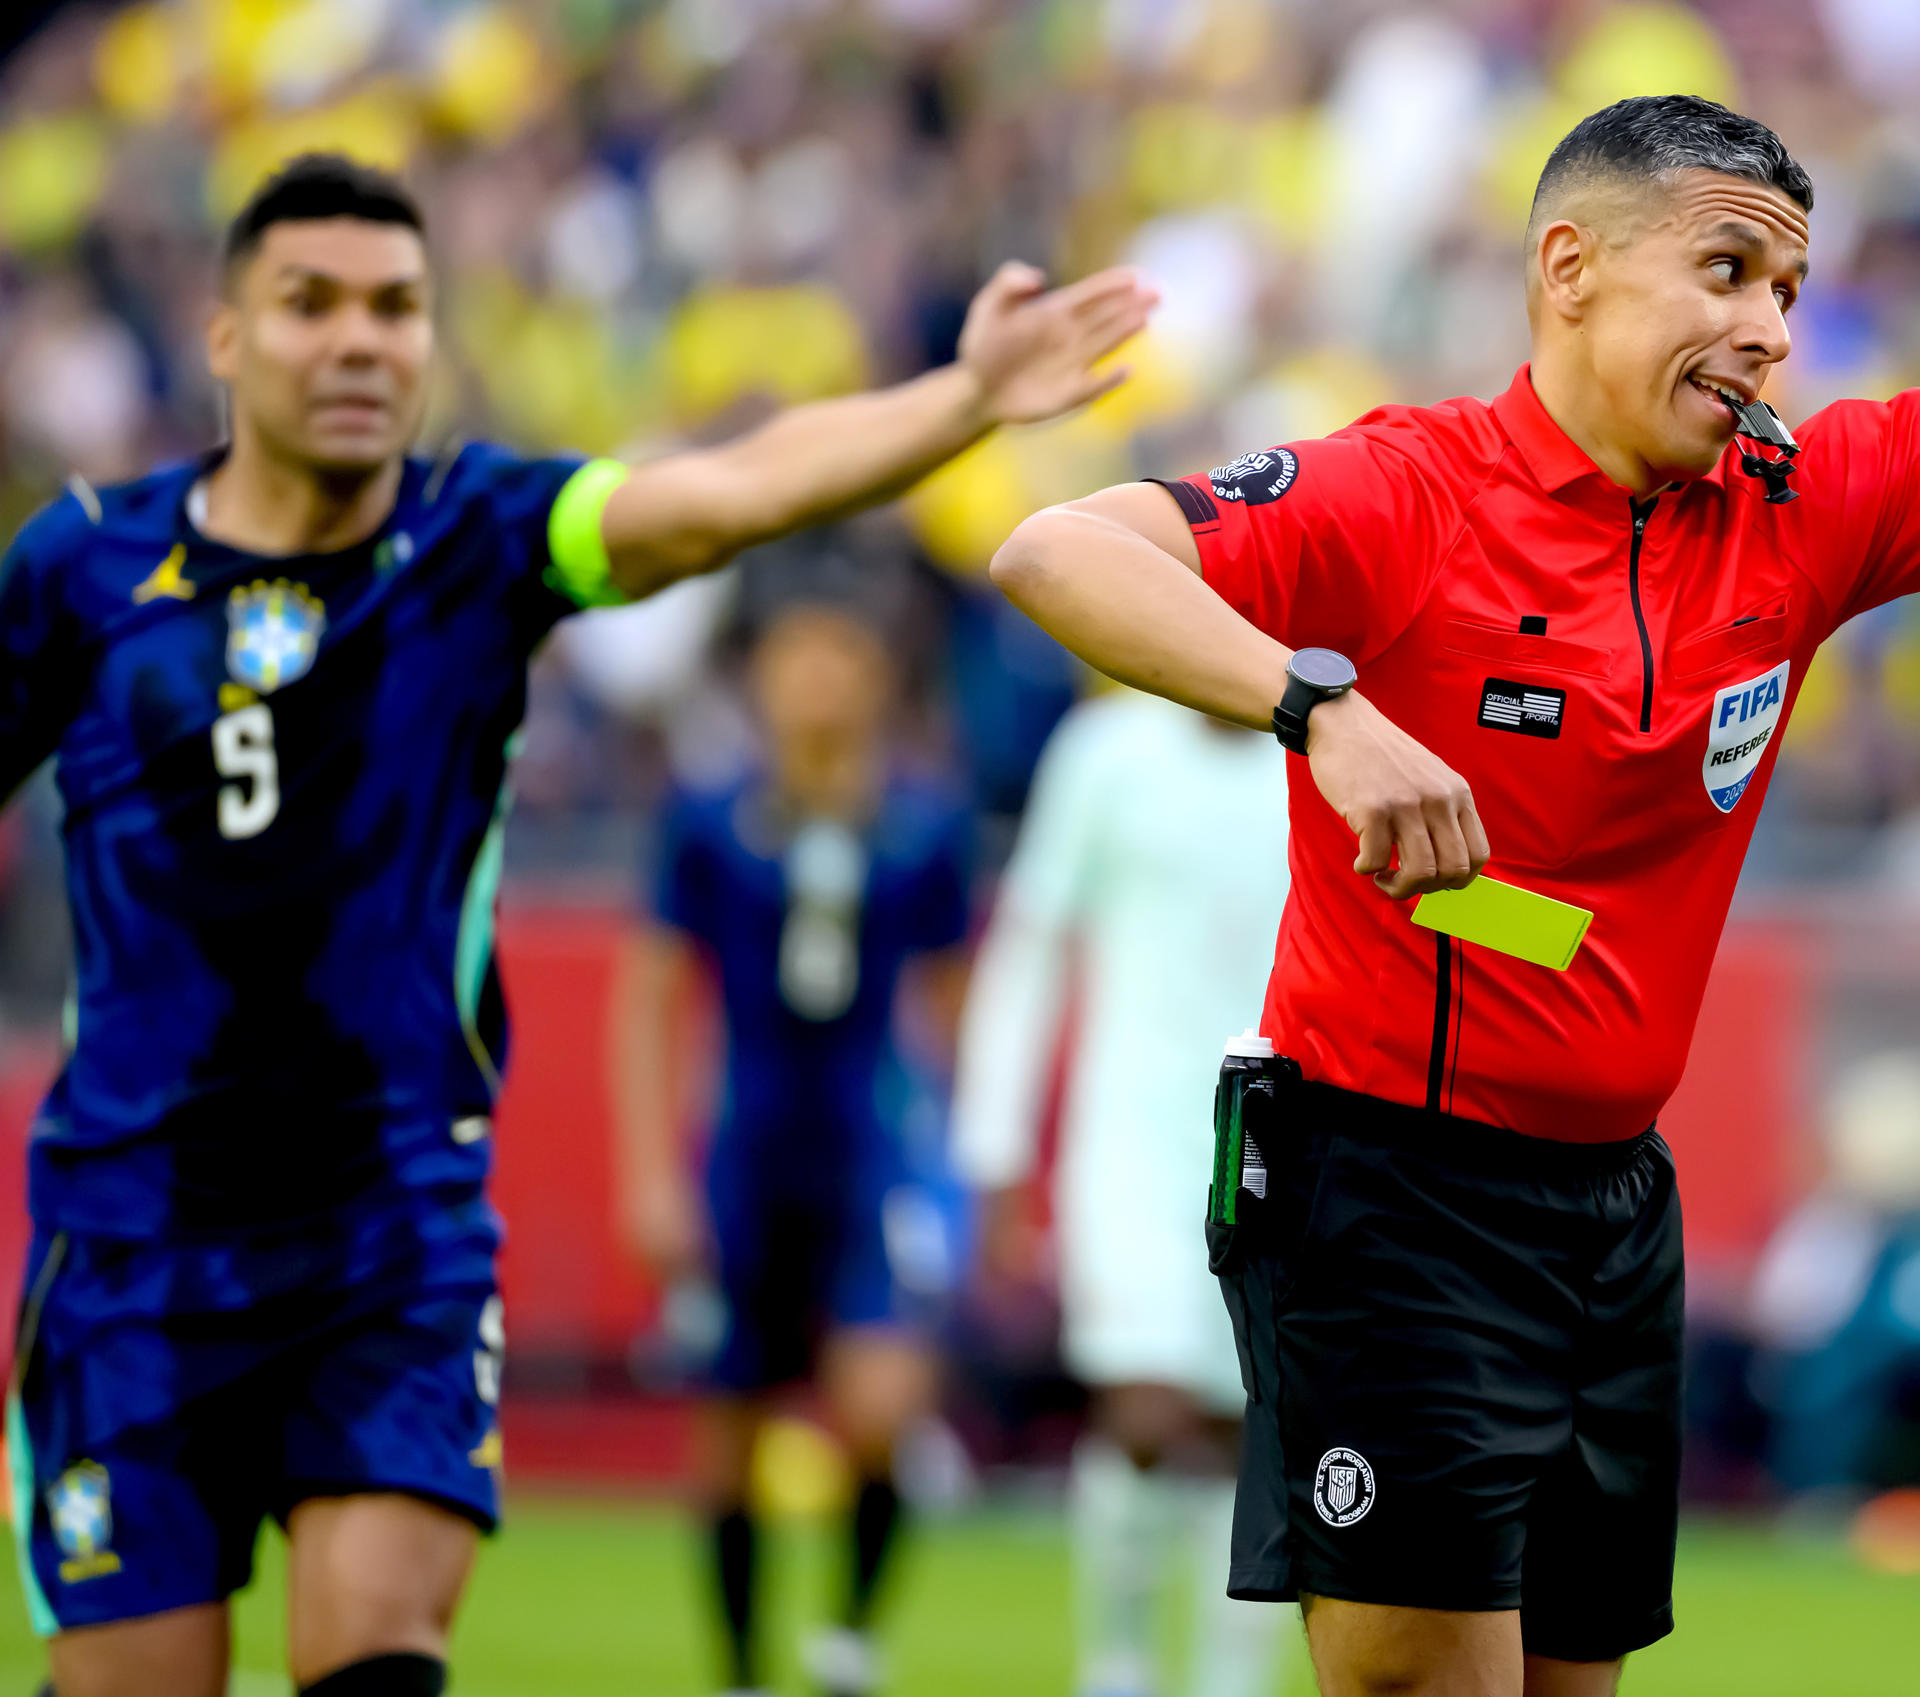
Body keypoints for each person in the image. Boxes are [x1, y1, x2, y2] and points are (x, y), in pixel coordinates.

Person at [0, 151, 1152, 1697]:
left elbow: (727, 491)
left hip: (388, 1235)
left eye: (397, 307)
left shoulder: (481, 538)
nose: (360, 340)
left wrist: (958, 400)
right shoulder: (77, 570)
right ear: (223, 338)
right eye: (310, 304)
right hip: (131, 1239)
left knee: (379, 1657)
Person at [986, 93, 1920, 1697]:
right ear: (1569, 267)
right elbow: (1057, 551)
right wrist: (1319, 709)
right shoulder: (1408, 496)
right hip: (1390, 1197)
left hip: (1620, 1213)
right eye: (1724, 271)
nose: (1768, 328)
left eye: (1784, 289)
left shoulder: (1799, 510)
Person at [612, 559, 972, 1697]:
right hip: (748, 1148)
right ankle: (742, 1667)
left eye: (846, 658)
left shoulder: (923, 821)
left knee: (881, 1404)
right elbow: (651, 993)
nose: (821, 680)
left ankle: (852, 1635)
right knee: (733, 1426)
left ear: (882, 678)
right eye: (799, 656)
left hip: (871, 1144)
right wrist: (649, 1170)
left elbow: (956, 997)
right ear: (759, 676)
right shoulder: (710, 819)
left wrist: (951, 1156)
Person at [949, 689, 1298, 1697]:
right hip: (1132, 1139)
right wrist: (996, 1141)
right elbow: (1030, 941)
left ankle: (1230, 1681)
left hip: (1277, 1142)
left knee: (1247, 1426)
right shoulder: (1107, 750)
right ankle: (1120, 1663)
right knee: (1143, 1411)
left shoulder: (1330, 751)